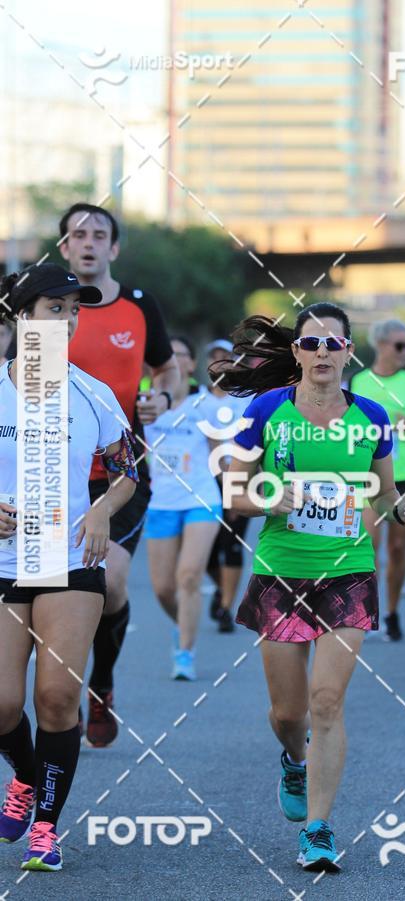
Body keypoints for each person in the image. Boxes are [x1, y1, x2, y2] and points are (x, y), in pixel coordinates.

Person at [214, 303, 405, 873]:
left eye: (334, 345)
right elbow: (231, 492)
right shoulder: (267, 410)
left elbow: (382, 494)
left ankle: (318, 828)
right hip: (280, 570)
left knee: (326, 702)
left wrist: (403, 507)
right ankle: (293, 759)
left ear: (350, 352)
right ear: (297, 353)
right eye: (312, 344)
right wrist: (264, 497)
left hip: (348, 570)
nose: (323, 354)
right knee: (289, 714)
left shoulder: (373, 417)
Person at [0, 263, 137, 871]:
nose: (67, 319)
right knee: (2, 706)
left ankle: (46, 828)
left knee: (56, 697)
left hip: (70, 557)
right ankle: (28, 777)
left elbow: (127, 470)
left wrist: (104, 509)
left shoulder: (93, 393)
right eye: (54, 309)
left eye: (73, 311)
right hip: (5, 561)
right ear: (22, 316)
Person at [58, 202, 179, 747]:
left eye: (98, 234)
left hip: (120, 471)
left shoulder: (138, 305)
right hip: (53, 468)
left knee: (107, 582)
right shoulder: (48, 309)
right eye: (77, 234)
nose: (88, 242)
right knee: (53, 587)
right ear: (63, 247)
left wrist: (164, 396)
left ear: (113, 248)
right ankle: (59, 696)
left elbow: (166, 365)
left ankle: (100, 681)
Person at [349, 320, 405, 640]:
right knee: (369, 545)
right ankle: (367, 611)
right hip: (368, 476)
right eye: (400, 345)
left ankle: (392, 612)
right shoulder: (358, 381)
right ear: (381, 345)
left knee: (398, 549)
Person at [145, 336, 222, 680]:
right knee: (163, 587)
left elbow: (221, 455)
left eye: (181, 356)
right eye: (168, 357)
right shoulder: (143, 404)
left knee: (188, 576)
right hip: (159, 502)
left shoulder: (204, 406)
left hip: (201, 499)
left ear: (191, 366)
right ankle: (183, 624)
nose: (175, 363)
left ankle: (185, 653)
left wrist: (236, 489)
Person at [205, 339, 251, 633]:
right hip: (205, 483)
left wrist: (237, 483)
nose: (221, 362)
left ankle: (225, 607)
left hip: (240, 480)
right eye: (215, 357)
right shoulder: (199, 399)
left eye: (227, 357)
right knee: (208, 549)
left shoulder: (246, 400)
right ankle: (222, 588)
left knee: (232, 543)